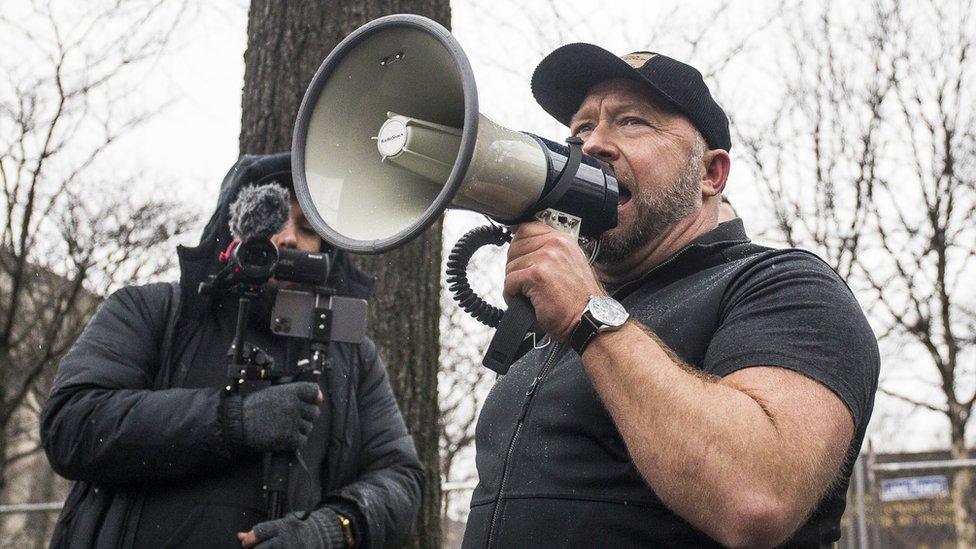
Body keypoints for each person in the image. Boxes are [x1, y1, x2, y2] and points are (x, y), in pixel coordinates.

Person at [462, 45, 879, 547]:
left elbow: (757, 497)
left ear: (710, 174)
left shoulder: (785, 287)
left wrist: (587, 315)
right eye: (580, 129)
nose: (592, 145)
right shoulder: (561, 320)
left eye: (633, 122)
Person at [41, 153, 422, 548]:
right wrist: (232, 421)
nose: (289, 238)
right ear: (231, 230)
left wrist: (334, 528)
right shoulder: (150, 311)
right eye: (270, 220)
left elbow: (400, 479)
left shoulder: (354, 357)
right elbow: (71, 424)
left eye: (309, 226)